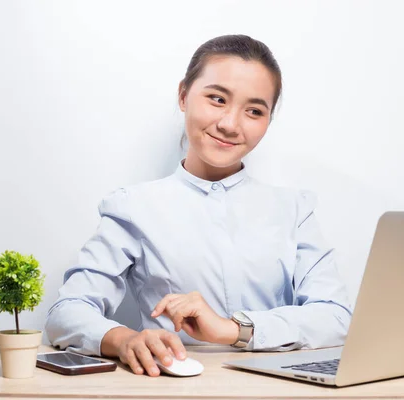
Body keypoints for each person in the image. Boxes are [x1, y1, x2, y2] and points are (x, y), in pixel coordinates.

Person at [45, 34, 352, 377]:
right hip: (176, 387)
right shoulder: (133, 206)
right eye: (217, 99)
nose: (230, 124)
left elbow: (337, 316)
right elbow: (66, 312)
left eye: (254, 111)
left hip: (277, 387)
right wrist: (124, 339)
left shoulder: (294, 209)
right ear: (183, 95)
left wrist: (235, 329)